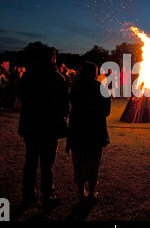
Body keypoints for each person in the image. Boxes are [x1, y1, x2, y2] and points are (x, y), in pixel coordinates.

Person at [18, 45, 70, 209]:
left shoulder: (28, 76)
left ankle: (29, 195)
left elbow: (22, 97)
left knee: (31, 161)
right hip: (49, 126)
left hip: (31, 125)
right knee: (47, 165)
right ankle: (48, 194)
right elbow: (64, 104)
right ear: (52, 58)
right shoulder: (56, 78)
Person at [66, 62, 111, 206]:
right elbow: (106, 112)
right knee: (93, 164)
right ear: (95, 73)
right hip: (95, 132)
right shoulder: (101, 88)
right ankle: (91, 194)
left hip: (78, 130)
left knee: (78, 164)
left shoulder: (75, 88)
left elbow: (71, 105)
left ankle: (81, 194)